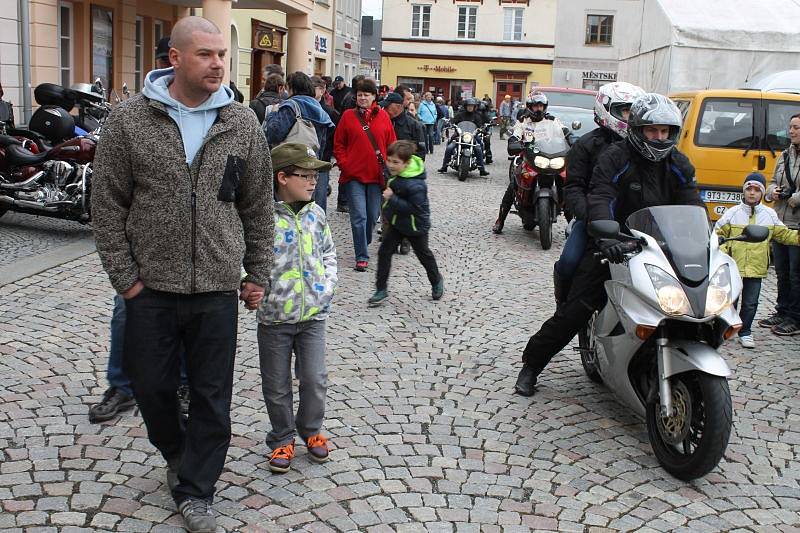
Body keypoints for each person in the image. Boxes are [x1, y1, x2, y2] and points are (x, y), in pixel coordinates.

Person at [91, 17, 274, 532]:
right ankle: (176, 450)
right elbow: (106, 205)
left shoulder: (242, 123)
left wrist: (256, 271)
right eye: (206, 54)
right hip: (150, 287)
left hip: (217, 287)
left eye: (222, 54)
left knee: (213, 394)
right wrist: (125, 277)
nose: (219, 63)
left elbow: (258, 205)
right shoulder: (130, 120)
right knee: (151, 388)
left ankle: (196, 490)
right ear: (175, 58)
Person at [514, 93, 703, 397]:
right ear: (639, 130)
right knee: (576, 309)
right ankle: (532, 365)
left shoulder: (678, 163)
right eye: (652, 130)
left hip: (661, 248)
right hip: (616, 245)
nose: (658, 137)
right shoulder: (615, 156)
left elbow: (692, 201)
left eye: (664, 131)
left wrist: (699, 241)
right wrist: (606, 236)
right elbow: (600, 195)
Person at [259, 143, 338, 474]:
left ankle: (311, 431)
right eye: (305, 176)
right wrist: (251, 284)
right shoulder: (262, 218)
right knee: (276, 385)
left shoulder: (316, 214)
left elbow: (329, 253)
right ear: (282, 178)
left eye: (314, 176)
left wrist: (326, 287)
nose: (313, 182)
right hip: (275, 318)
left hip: (312, 317)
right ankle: (282, 437)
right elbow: (245, 257)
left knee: (314, 378)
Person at [550, 82, 644, 302]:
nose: (631, 117)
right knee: (568, 262)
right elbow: (573, 188)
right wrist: (593, 219)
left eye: (635, 111)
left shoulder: (646, 147)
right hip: (594, 220)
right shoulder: (586, 145)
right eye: (625, 111)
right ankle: (563, 304)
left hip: (638, 222)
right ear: (606, 109)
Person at [715, 173, 800, 348]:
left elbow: (784, 234)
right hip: (734, 267)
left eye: (756, 190)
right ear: (744, 191)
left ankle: (745, 331)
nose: (752, 193)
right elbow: (718, 235)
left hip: (756, 267)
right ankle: (727, 328)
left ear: (762, 193)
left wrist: (797, 237)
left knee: (751, 303)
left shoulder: (769, 214)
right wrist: (724, 253)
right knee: (730, 301)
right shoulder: (732, 213)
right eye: (749, 189)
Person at [368, 139, 444, 306]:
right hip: (397, 223)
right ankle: (381, 289)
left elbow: (413, 208)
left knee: (424, 255)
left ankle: (436, 280)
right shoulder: (397, 175)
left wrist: (391, 198)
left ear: (407, 163)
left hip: (416, 225)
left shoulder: (417, 185)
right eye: (389, 160)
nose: (391, 165)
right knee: (384, 252)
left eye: (396, 162)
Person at [333, 78, 397, 271]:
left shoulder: (384, 117)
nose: (362, 98)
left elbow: (391, 144)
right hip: (354, 176)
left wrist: (393, 168)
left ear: (374, 97)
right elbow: (339, 144)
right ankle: (361, 255)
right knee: (358, 216)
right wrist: (345, 164)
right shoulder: (347, 116)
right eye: (359, 95)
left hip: (377, 176)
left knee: (372, 215)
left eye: (366, 95)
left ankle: (364, 241)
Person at [761, 113, 800, 336]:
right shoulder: (784, 155)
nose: (792, 131)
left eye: (796, 128)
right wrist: (771, 192)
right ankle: (782, 311)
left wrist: (794, 198)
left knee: (796, 274)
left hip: (797, 224)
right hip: (780, 222)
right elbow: (773, 181)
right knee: (782, 272)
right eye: (791, 127)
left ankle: (795, 318)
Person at [265, 71, 334, 160]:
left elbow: (275, 135)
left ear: (292, 88)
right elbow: (322, 141)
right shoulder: (319, 108)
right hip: (312, 160)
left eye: (287, 87)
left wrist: (273, 114)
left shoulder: (291, 106)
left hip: (290, 162)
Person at [438, 97, 489, 176]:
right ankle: (444, 166)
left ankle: (481, 169)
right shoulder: (460, 114)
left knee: (479, 148)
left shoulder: (477, 116)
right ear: (465, 106)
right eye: (469, 106)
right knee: (449, 147)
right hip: (460, 135)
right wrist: (451, 124)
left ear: (474, 107)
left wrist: (482, 129)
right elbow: (453, 121)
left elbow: (480, 125)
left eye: (472, 106)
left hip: (472, 136)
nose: (470, 107)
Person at [311, 75, 340, 212]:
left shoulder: (330, 112)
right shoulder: (301, 108)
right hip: (305, 160)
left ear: (322, 91)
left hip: (322, 161)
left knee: (320, 199)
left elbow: (336, 137)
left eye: (314, 89)